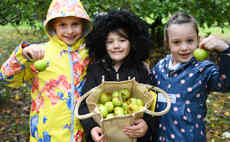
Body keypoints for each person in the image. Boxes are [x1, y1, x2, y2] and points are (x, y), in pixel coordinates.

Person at [0, 0, 92, 141]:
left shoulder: (89, 53)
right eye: (62, 25)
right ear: (53, 26)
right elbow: (6, 78)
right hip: (46, 135)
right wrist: (22, 54)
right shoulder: (39, 53)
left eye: (75, 24)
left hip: (82, 134)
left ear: (83, 25)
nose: (69, 31)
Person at [150, 12, 230, 142]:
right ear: (167, 43)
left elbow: (226, 84)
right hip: (159, 137)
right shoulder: (160, 67)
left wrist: (225, 51)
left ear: (198, 40)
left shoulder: (203, 70)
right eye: (176, 42)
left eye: (190, 41)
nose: (184, 47)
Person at [78, 10, 154, 142]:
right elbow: (84, 104)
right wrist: (91, 128)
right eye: (110, 42)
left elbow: (152, 102)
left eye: (122, 40)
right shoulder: (96, 70)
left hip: (132, 137)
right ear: (102, 44)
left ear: (133, 42)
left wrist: (146, 124)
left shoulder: (140, 70)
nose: (116, 46)